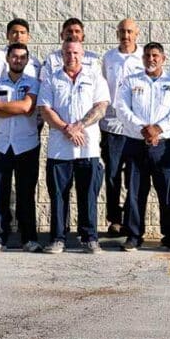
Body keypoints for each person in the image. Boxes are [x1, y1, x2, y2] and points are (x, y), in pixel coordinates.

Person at [114, 43, 170, 252]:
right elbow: (122, 108)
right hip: (135, 142)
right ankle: (134, 236)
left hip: (165, 145)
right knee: (135, 191)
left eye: (155, 55)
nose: (151, 59)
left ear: (163, 58)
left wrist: (159, 129)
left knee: (166, 191)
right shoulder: (131, 82)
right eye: (147, 55)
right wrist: (142, 129)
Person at [38, 40, 110, 254]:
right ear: (62, 55)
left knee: (88, 194)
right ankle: (58, 238)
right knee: (58, 195)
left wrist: (79, 125)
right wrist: (67, 128)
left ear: (83, 53)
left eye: (76, 53)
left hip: (88, 148)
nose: (72, 56)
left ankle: (90, 238)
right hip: (59, 149)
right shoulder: (51, 79)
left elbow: (101, 106)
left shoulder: (94, 77)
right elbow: (45, 109)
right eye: (68, 53)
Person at [0, 42, 41, 253]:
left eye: (22, 57)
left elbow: (27, 107)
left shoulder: (34, 83)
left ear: (27, 60)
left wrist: (1, 106)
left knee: (26, 194)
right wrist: (6, 108)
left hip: (27, 145)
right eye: (14, 56)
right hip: (0, 145)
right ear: (7, 58)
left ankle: (29, 239)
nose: (18, 60)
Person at [101, 18, 143, 237]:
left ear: (137, 33)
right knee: (112, 175)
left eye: (129, 32)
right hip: (112, 126)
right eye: (121, 32)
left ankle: (129, 218)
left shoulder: (144, 57)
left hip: (136, 128)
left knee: (134, 176)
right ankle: (114, 219)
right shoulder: (109, 58)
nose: (125, 36)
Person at [0, 18, 42, 83]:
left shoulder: (35, 62)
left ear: (28, 36)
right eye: (14, 32)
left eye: (22, 33)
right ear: (7, 35)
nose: (19, 36)